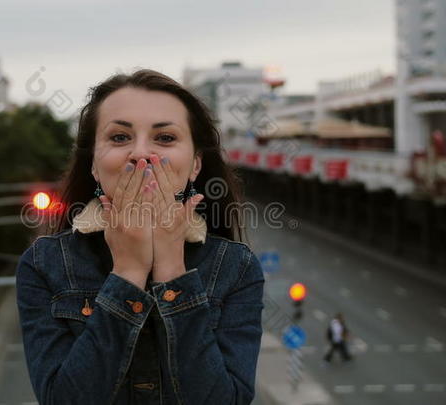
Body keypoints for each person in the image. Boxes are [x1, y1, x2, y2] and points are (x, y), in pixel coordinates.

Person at [16, 69, 265, 405]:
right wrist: (128, 273)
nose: (141, 154)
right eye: (119, 137)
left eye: (165, 138)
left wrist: (173, 272)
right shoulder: (43, 264)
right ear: (92, 164)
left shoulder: (237, 268)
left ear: (194, 165)